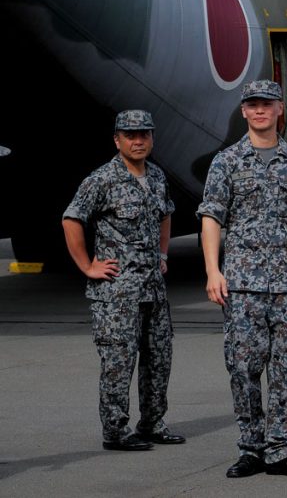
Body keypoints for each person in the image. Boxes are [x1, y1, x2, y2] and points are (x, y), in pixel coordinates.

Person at [198, 80, 287, 479]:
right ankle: (251, 447)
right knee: (243, 367)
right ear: (243, 111)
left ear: (279, 110)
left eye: (266, 105)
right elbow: (211, 217)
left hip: (286, 284)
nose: (259, 111)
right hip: (241, 285)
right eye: (252, 105)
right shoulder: (227, 162)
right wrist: (212, 270)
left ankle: (282, 448)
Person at [62, 110, 184, 451]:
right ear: (117, 140)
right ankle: (115, 431)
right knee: (118, 363)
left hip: (153, 290)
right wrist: (88, 265)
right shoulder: (101, 180)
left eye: (144, 134)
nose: (138, 140)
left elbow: (166, 214)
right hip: (117, 294)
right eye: (130, 135)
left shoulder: (157, 176)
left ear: (152, 138)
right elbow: (72, 219)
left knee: (159, 358)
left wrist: (162, 255)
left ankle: (152, 423)